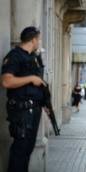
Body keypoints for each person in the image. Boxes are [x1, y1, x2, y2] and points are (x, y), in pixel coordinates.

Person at [1, 26, 50, 172]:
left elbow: (39, 84)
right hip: (21, 109)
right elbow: (6, 81)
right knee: (20, 149)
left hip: (34, 108)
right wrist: (31, 78)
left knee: (28, 148)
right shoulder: (15, 56)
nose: (39, 43)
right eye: (39, 40)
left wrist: (46, 103)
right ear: (34, 40)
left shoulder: (33, 58)